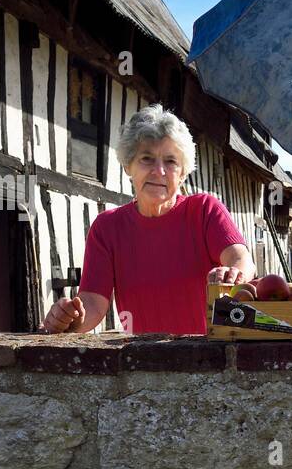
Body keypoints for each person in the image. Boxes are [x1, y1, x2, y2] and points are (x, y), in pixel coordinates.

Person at [39, 104, 255, 334]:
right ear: (128, 166)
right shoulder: (107, 228)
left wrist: (233, 273)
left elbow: (240, 257)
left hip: (208, 357)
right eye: (146, 158)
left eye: (171, 161)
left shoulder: (204, 210)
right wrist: (70, 318)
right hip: (143, 361)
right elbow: (93, 301)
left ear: (183, 173)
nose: (158, 171)